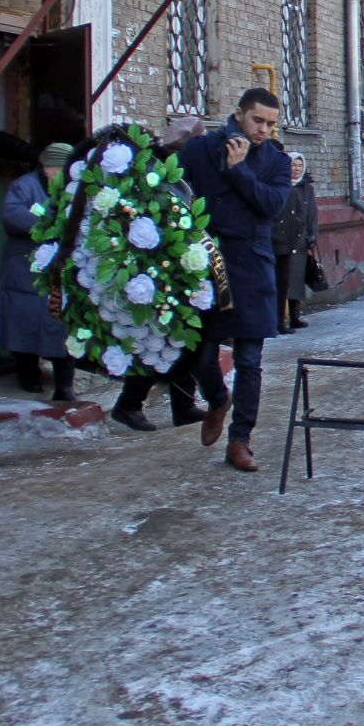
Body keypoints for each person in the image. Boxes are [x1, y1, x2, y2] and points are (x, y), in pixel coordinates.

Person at [181, 88, 294, 473]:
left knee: (249, 359)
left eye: (270, 123)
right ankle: (216, 397)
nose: (263, 129)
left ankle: (240, 439)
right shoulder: (202, 150)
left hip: (252, 263)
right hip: (204, 262)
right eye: (257, 120)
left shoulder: (276, 161)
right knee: (196, 351)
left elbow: (272, 205)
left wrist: (241, 170)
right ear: (238, 114)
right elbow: (172, 183)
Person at [109, 116, 210, 432]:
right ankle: (128, 404)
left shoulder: (177, 172)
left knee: (179, 339)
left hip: (179, 267)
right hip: (159, 270)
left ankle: (183, 405)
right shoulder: (157, 174)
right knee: (159, 340)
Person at [0, 142, 79, 402]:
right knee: (22, 324)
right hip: (25, 271)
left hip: (60, 270)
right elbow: (13, 214)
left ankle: (65, 385)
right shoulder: (23, 186)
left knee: (62, 325)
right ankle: (28, 375)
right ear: (47, 166)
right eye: (59, 168)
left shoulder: (71, 186)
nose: (63, 173)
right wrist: (49, 225)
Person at [273, 153, 318, 335]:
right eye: (293, 164)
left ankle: (294, 317)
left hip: (301, 239)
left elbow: (312, 213)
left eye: (300, 165)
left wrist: (312, 235)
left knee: (297, 279)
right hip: (283, 238)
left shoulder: (306, 187)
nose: (297, 168)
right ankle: (278, 320)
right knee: (282, 280)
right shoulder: (282, 186)